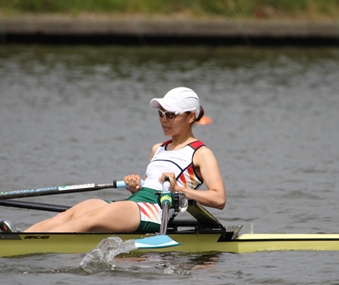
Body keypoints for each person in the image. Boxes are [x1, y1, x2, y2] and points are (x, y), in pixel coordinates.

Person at [21, 87, 226, 233]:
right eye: (161, 114)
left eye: (171, 114)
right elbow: (150, 184)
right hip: (135, 203)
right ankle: (20, 236)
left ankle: (35, 243)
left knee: (90, 219)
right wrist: (135, 186)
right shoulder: (158, 148)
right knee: (76, 211)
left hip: (155, 211)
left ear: (190, 117)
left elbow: (219, 199)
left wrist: (178, 190)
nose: (164, 119)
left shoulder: (201, 153)